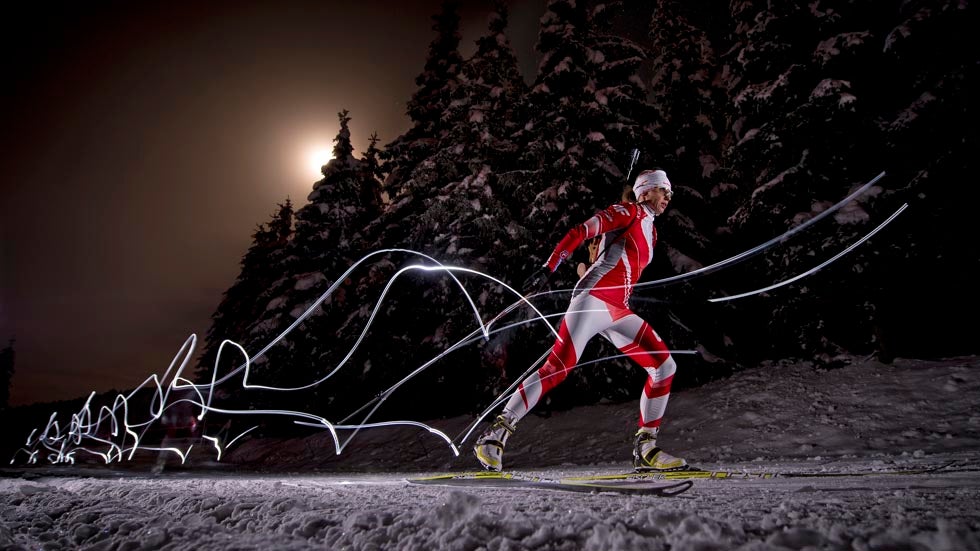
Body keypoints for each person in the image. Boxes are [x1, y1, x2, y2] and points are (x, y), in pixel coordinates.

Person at [474, 169, 686, 472]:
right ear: (645, 190)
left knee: (663, 366)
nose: (668, 196)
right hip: (593, 300)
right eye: (663, 190)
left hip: (618, 308)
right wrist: (548, 268)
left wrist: (597, 255)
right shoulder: (627, 211)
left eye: (669, 192)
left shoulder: (651, 231)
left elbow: (614, 257)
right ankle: (494, 436)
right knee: (557, 369)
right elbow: (579, 232)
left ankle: (646, 448)